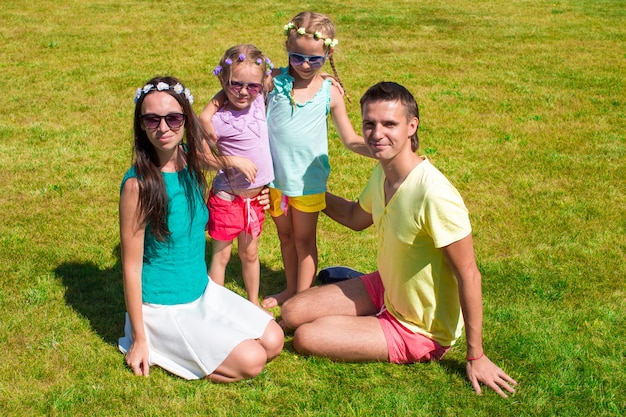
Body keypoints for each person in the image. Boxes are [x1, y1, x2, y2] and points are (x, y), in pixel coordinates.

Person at [281, 82, 517, 397]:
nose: (377, 133)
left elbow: (469, 273)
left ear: (411, 127)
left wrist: (476, 354)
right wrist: (304, 192)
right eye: (369, 123)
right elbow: (354, 217)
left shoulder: (434, 194)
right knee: (292, 312)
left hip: (419, 328)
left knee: (307, 337)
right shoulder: (383, 172)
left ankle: (378, 320)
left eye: (389, 124)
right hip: (388, 287)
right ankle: (366, 306)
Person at [118, 76, 283, 382]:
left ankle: (196, 345)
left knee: (274, 339)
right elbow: (130, 267)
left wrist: (262, 192)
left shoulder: (187, 158)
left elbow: (224, 160)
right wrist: (139, 339)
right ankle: (160, 344)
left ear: (185, 119)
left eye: (173, 118)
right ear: (141, 124)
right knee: (253, 360)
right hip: (163, 306)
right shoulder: (137, 186)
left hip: (202, 290)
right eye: (152, 119)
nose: (163, 128)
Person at [261, 11, 371, 309]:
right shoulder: (272, 82)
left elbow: (349, 139)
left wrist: (380, 150)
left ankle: (302, 299)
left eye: (315, 60)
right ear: (286, 48)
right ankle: (290, 289)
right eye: (297, 57)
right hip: (276, 181)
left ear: (328, 53)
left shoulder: (329, 90)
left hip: (308, 183)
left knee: (303, 241)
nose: (305, 65)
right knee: (285, 237)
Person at [201, 45, 274, 305]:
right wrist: (231, 161)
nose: (243, 92)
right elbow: (200, 159)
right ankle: (214, 309)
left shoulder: (258, 103)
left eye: (251, 85)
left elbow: (288, 73)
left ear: (262, 83)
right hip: (227, 199)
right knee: (220, 257)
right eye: (235, 84)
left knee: (250, 254)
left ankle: (253, 303)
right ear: (223, 80)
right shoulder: (218, 120)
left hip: (254, 202)